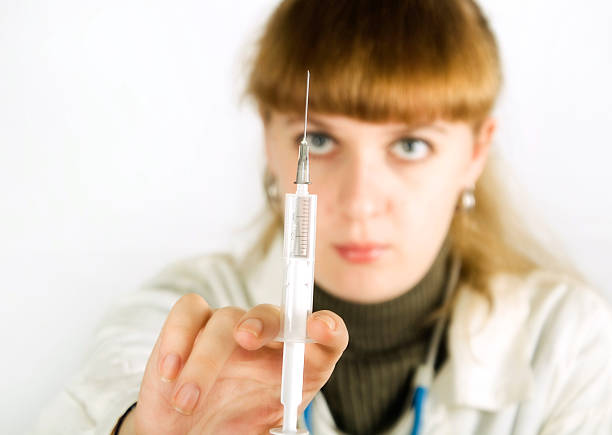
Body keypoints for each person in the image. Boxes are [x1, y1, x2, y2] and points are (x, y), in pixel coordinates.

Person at [30, 0, 612, 434]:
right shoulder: (184, 314)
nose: (359, 201)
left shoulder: (568, 340)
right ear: (269, 138)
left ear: (476, 153)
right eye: (320, 139)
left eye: (411, 146)